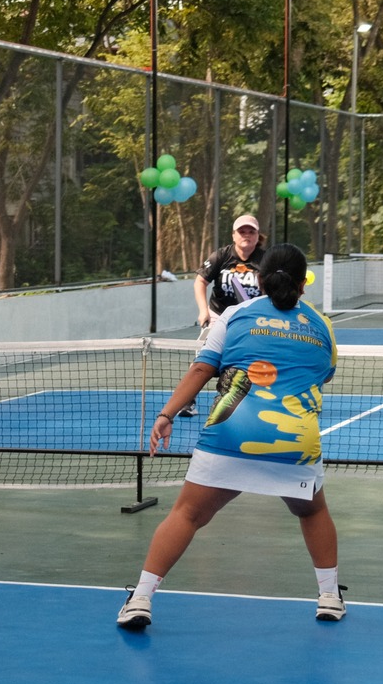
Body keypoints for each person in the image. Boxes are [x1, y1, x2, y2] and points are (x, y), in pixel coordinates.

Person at [116, 243, 346, 630]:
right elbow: (323, 374)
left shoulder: (235, 315)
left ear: (258, 279)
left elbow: (201, 371)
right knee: (312, 510)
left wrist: (166, 414)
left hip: (230, 433)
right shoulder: (322, 325)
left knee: (187, 514)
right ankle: (328, 597)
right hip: (293, 442)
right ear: (303, 284)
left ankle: (140, 598)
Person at [195, 214, 265, 328]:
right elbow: (200, 282)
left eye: (252, 232)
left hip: (253, 318)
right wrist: (203, 311)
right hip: (218, 315)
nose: (246, 235)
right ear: (233, 235)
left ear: (257, 236)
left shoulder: (266, 259)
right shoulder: (221, 256)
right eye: (241, 232)